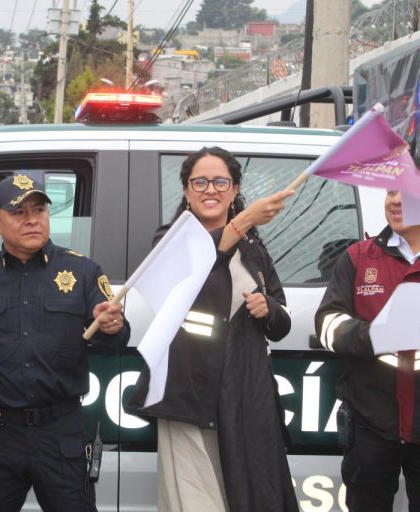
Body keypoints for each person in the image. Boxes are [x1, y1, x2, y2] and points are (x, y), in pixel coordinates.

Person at [0, 174, 130, 512]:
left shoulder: (83, 272)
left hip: (61, 433)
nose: (32, 220)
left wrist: (112, 327)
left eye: (39, 210)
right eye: (19, 212)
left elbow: (114, 344)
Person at [125, 146, 298, 512]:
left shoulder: (254, 249)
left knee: (250, 495)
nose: (210, 190)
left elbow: (281, 323)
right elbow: (199, 274)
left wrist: (269, 309)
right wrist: (243, 221)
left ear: (234, 189)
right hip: (188, 395)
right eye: (199, 182)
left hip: (244, 396)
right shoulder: (171, 240)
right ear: (186, 191)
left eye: (220, 181)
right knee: (196, 499)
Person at [315, 189, 420, 512]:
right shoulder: (358, 257)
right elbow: (327, 324)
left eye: (410, 192)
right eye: (391, 192)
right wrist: (376, 335)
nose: (396, 200)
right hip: (370, 422)